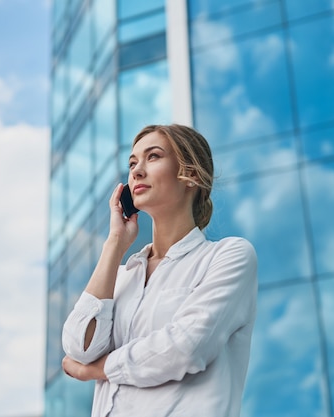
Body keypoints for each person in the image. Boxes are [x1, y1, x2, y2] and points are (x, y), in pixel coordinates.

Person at [61, 124, 258, 417]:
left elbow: (186, 348)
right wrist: (115, 243)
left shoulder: (228, 256)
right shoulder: (124, 276)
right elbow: (80, 347)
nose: (137, 171)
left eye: (153, 157)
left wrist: (99, 370)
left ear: (190, 174)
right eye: (132, 163)